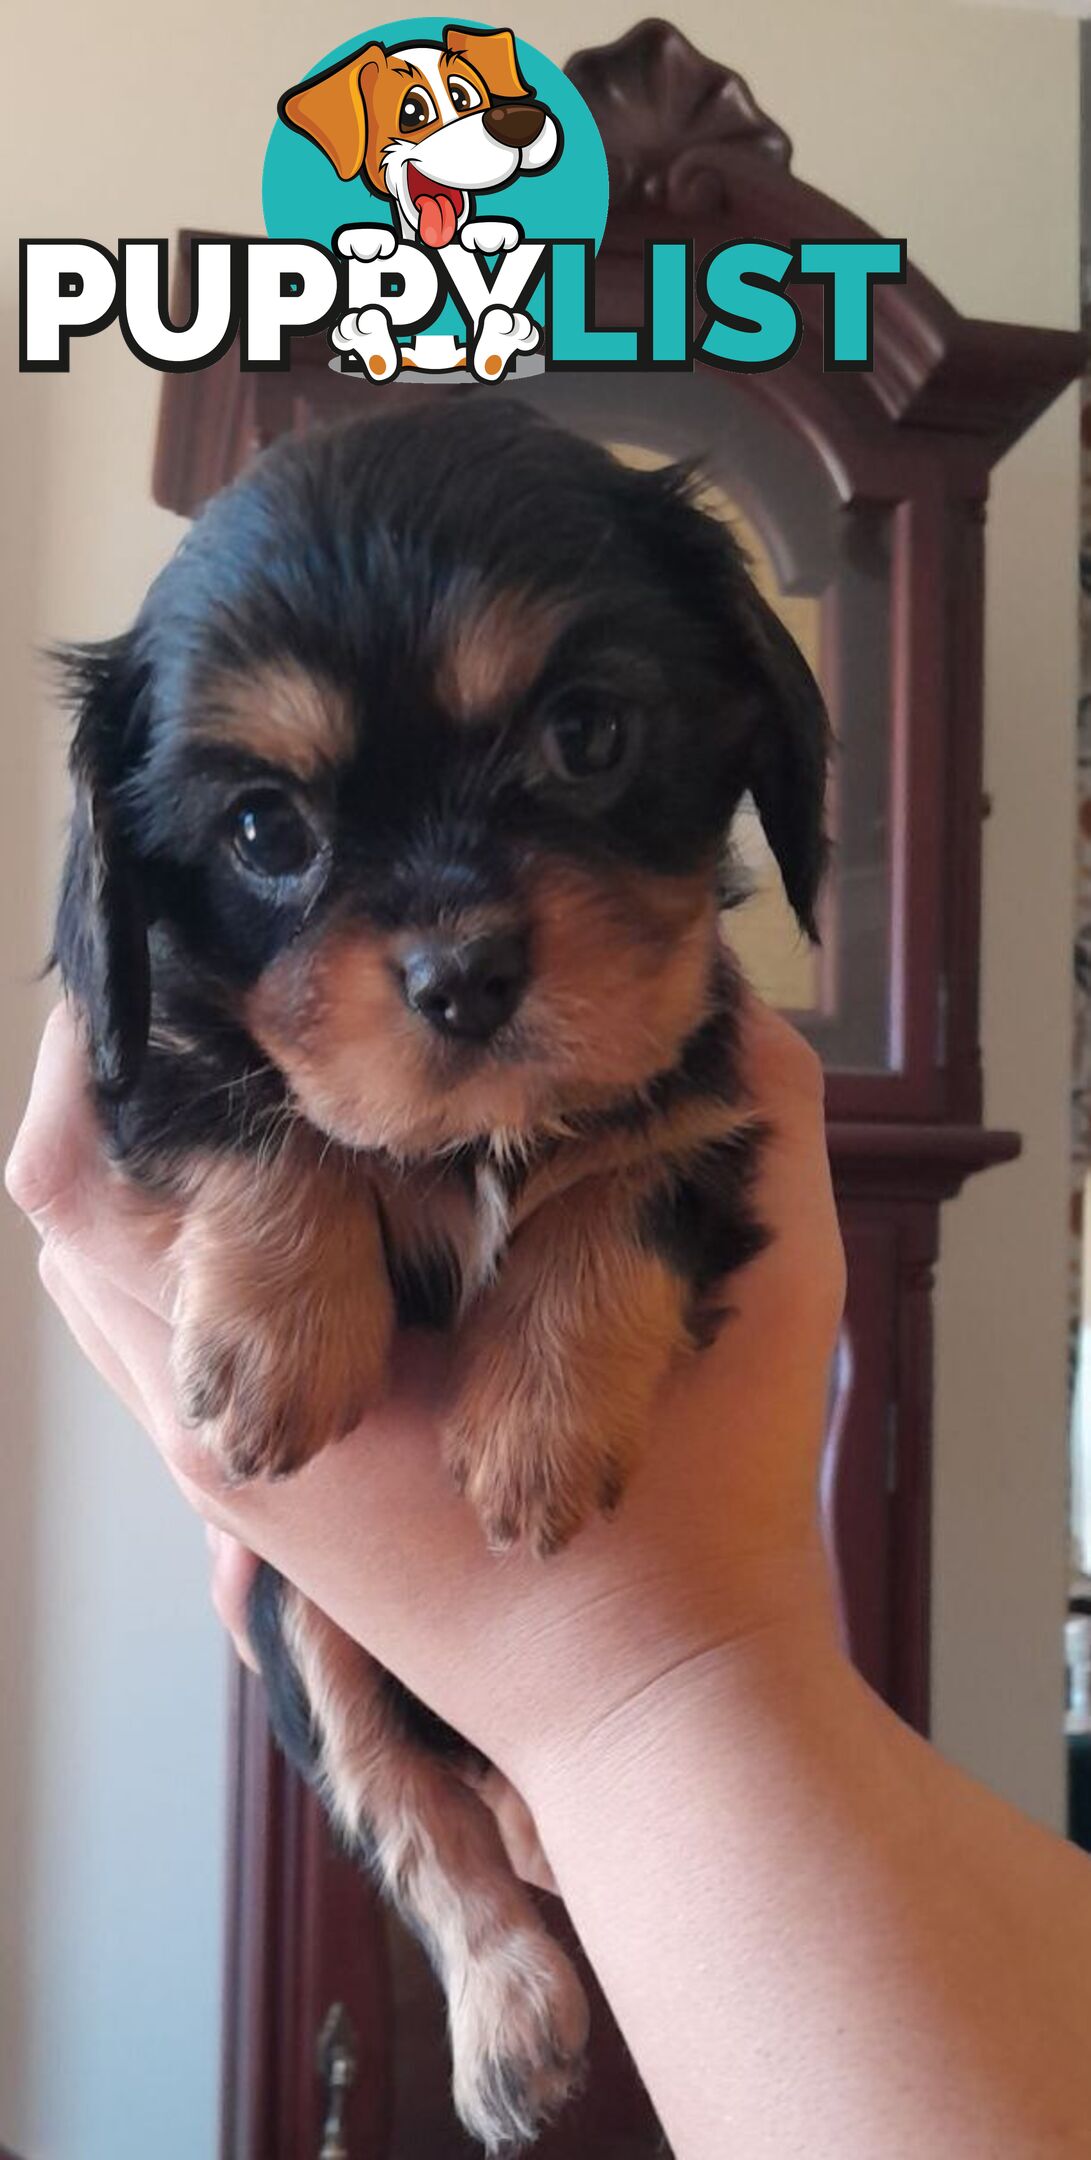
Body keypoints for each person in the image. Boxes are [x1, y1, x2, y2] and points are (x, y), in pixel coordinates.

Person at [8, 994, 1091, 2159]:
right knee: (301, 1636)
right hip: (362, 1564)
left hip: (638, 1575)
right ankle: (462, 1907)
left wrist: (625, 1689)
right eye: (270, 834)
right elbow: (155, 1059)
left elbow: (695, 1167)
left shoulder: (652, 1056)